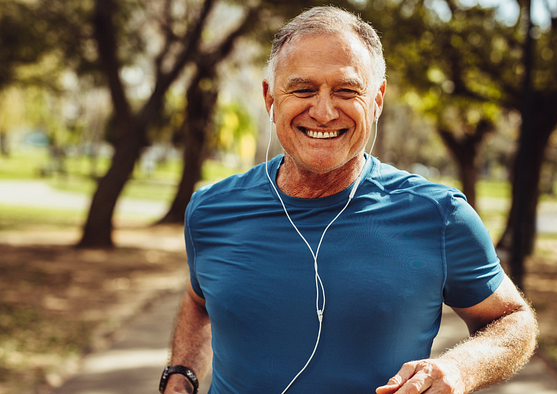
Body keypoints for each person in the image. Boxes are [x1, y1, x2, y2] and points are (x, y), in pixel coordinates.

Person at [161, 6, 537, 394]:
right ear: (270, 97)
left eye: (346, 90)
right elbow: (199, 300)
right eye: (303, 89)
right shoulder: (210, 210)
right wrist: (181, 375)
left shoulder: (440, 215)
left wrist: (461, 368)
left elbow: (514, 320)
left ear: (377, 98)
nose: (323, 112)